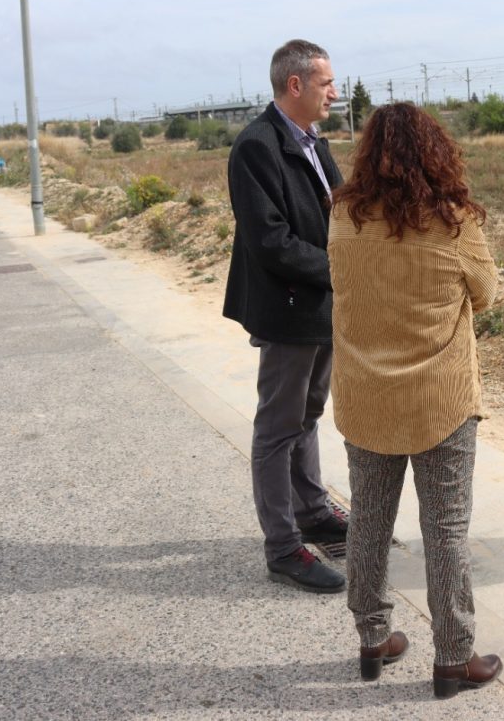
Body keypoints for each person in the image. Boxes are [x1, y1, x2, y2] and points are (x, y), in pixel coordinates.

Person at [327, 103, 502, 698]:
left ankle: (372, 638)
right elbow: (485, 295)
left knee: (369, 522)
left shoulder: (341, 218)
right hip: (440, 398)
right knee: (446, 529)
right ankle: (454, 659)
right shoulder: (453, 223)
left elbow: (342, 287)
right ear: (437, 152)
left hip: (365, 394)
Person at [223, 39, 348, 594]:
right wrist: (340, 269)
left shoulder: (314, 142)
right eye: (326, 83)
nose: (334, 93)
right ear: (294, 85)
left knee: (308, 412)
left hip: (321, 304)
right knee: (278, 426)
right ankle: (282, 546)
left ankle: (314, 511)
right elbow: (270, 241)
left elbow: (340, 208)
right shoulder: (257, 147)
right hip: (288, 307)